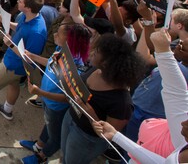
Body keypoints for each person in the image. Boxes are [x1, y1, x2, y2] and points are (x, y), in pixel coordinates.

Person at [93, 29, 188, 164]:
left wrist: (163, 51)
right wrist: (117, 136)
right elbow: (176, 94)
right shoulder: (182, 138)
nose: (183, 122)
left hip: (146, 113)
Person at [60, 33, 145, 164]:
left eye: (98, 51)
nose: (92, 51)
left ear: (108, 62)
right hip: (70, 118)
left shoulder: (122, 102)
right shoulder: (96, 69)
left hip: (86, 138)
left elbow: (107, 134)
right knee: (64, 155)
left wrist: (91, 115)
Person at [18, 22, 92, 164]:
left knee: (55, 136)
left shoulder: (76, 66)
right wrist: (32, 56)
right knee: (48, 124)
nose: (54, 35)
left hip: (56, 106)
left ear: (70, 40)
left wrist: (40, 92)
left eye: (58, 34)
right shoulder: (60, 50)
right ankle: (38, 145)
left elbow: (69, 98)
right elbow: (51, 63)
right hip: (48, 102)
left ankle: (41, 157)